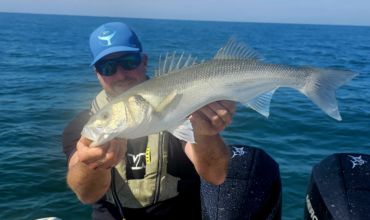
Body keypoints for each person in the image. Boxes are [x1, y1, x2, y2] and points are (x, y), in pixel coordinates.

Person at [62, 22, 235, 219]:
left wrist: (205, 134)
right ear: (98, 74)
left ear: (143, 61)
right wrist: (91, 163)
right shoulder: (86, 124)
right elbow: (86, 194)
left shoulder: (183, 110)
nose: (120, 74)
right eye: (107, 67)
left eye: (128, 61)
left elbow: (216, 175)